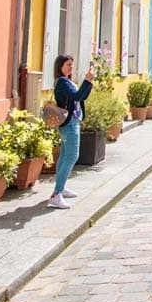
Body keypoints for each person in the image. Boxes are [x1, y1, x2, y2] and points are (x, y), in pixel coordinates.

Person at [49, 54, 93, 209]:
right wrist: (87, 81)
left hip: (71, 121)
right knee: (72, 156)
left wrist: (88, 83)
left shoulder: (66, 81)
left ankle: (61, 187)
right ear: (60, 66)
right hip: (69, 123)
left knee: (64, 156)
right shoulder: (62, 82)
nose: (70, 67)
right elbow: (77, 96)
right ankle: (56, 194)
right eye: (68, 64)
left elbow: (82, 97)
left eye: (71, 65)